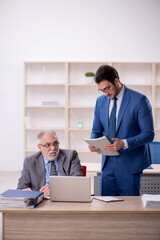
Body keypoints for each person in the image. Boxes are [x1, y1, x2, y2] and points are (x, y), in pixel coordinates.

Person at [88, 65, 154, 196]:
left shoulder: (139, 100)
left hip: (130, 163)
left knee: (129, 210)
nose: (106, 93)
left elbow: (148, 134)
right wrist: (93, 142)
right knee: (107, 208)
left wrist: (123, 143)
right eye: (101, 90)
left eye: (107, 88)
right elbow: (96, 130)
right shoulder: (101, 101)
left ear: (116, 81)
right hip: (108, 164)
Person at [17, 130, 83, 197]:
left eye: (55, 143)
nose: (53, 148)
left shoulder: (71, 156)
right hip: (41, 202)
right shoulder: (30, 161)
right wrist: (25, 191)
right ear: (40, 147)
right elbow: (21, 187)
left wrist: (55, 190)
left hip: (66, 198)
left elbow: (78, 183)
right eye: (48, 145)